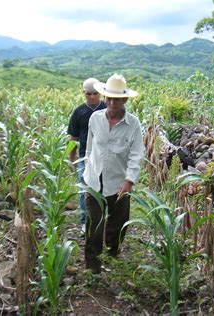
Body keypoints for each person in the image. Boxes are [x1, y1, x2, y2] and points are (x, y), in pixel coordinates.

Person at [83, 74, 144, 274]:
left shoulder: (133, 124)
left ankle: (112, 252)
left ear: (124, 100)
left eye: (116, 99)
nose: (111, 102)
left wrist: (129, 180)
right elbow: (90, 149)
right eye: (108, 98)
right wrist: (86, 168)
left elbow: (136, 155)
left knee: (117, 223)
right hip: (94, 179)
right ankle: (93, 267)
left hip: (119, 182)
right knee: (94, 225)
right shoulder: (95, 118)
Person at [67, 78, 107, 233]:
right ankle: (85, 222)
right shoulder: (78, 112)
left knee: (104, 190)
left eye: (95, 94)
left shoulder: (107, 108)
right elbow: (73, 139)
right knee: (85, 191)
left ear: (100, 94)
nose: (92, 97)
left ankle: (101, 220)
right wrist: (72, 159)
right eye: (88, 94)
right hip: (85, 157)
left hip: (105, 157)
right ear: (84, 93)